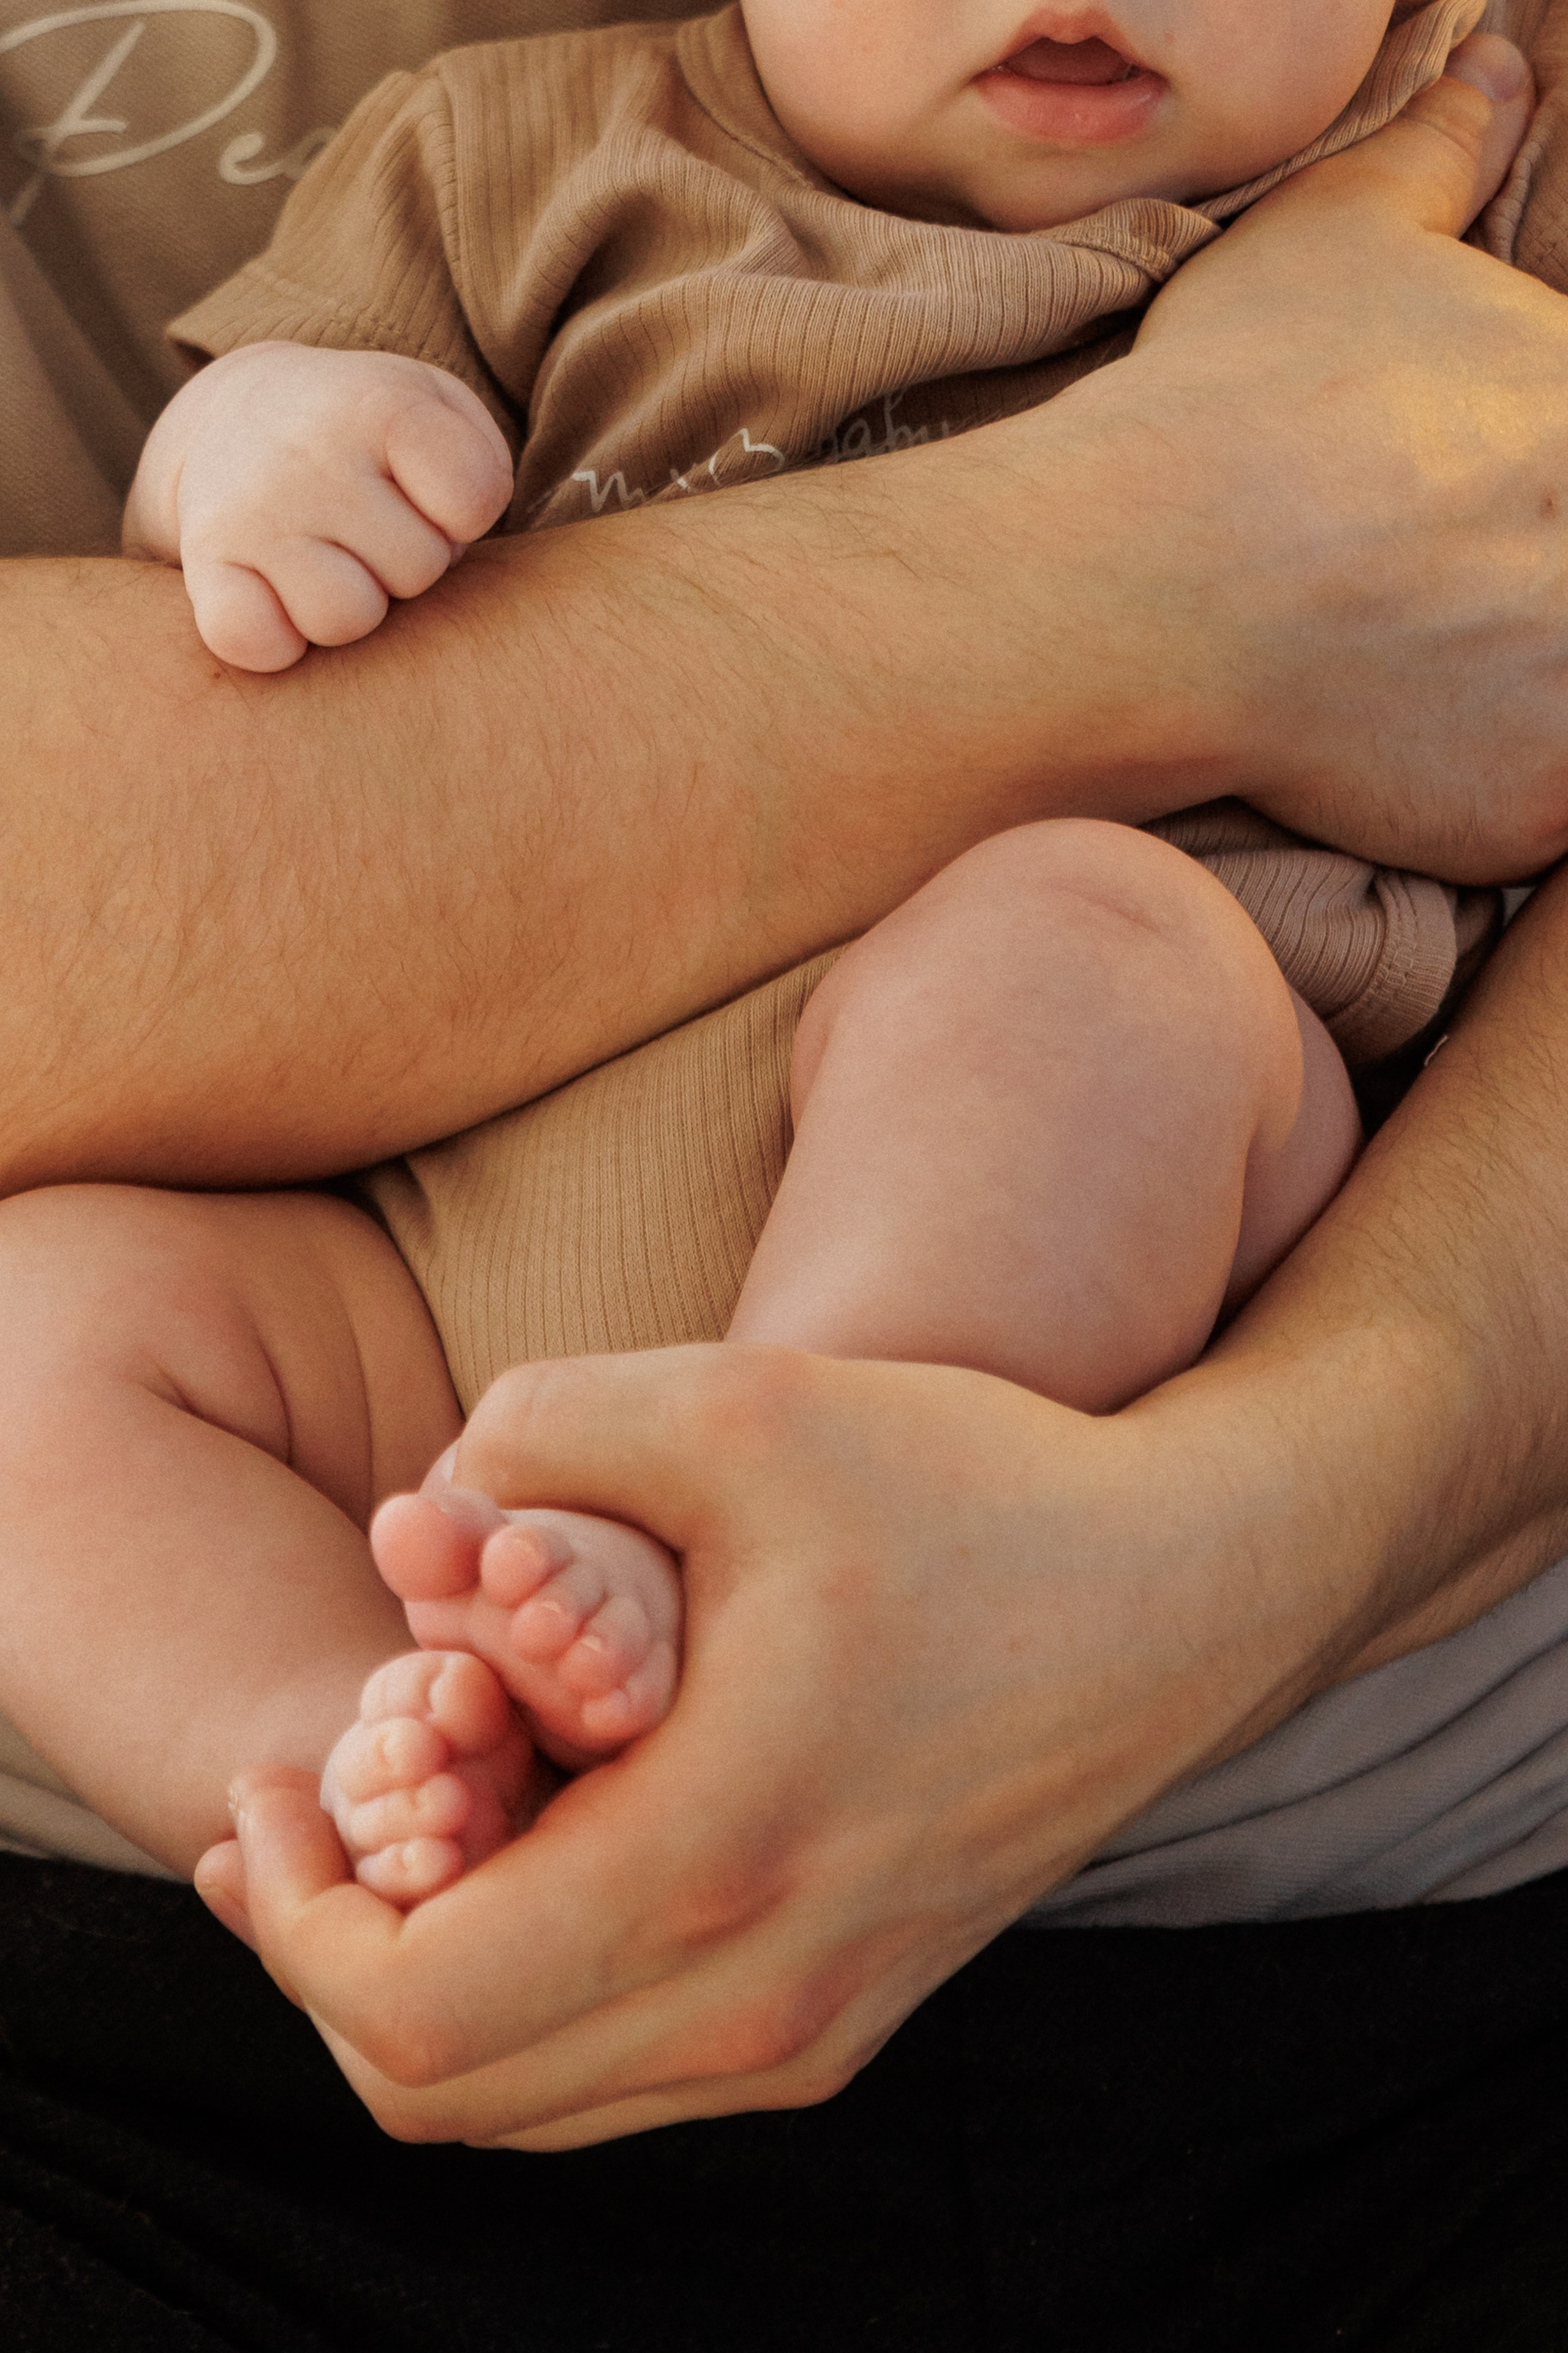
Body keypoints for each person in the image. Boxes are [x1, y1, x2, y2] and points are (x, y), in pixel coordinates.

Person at [6, 1, 1568, 2340]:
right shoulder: (509, 155)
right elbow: (222, 504)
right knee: (50, 1324)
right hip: (438, 1294)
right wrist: (262, 454)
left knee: (1070, 955)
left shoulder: (1468, 166)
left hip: (1135, 1283)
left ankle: (792, 1507)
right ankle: (354, 1786)